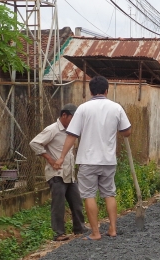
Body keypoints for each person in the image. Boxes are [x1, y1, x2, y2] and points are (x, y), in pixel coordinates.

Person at [54, 76, 131, 239]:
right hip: (108, 160)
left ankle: (95, 233)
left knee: (89, 195)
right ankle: (112, 229)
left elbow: (72, 135)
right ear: (106, 91)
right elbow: (127, 131)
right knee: (109, 193)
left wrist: (61, 157)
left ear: (90, 91)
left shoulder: (83, 109)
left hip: (88, 160)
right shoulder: (116, 108)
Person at [29, 104, 86, 242]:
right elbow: (34, 143)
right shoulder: (52, 129)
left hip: (69, 173)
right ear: (64, 115)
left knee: (77, 202)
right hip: (56, 174)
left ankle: (79, 228)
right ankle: (59, 233)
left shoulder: (71, 131)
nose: (75, 121)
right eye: (72, 117)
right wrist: (50, 159)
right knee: (58, 205)